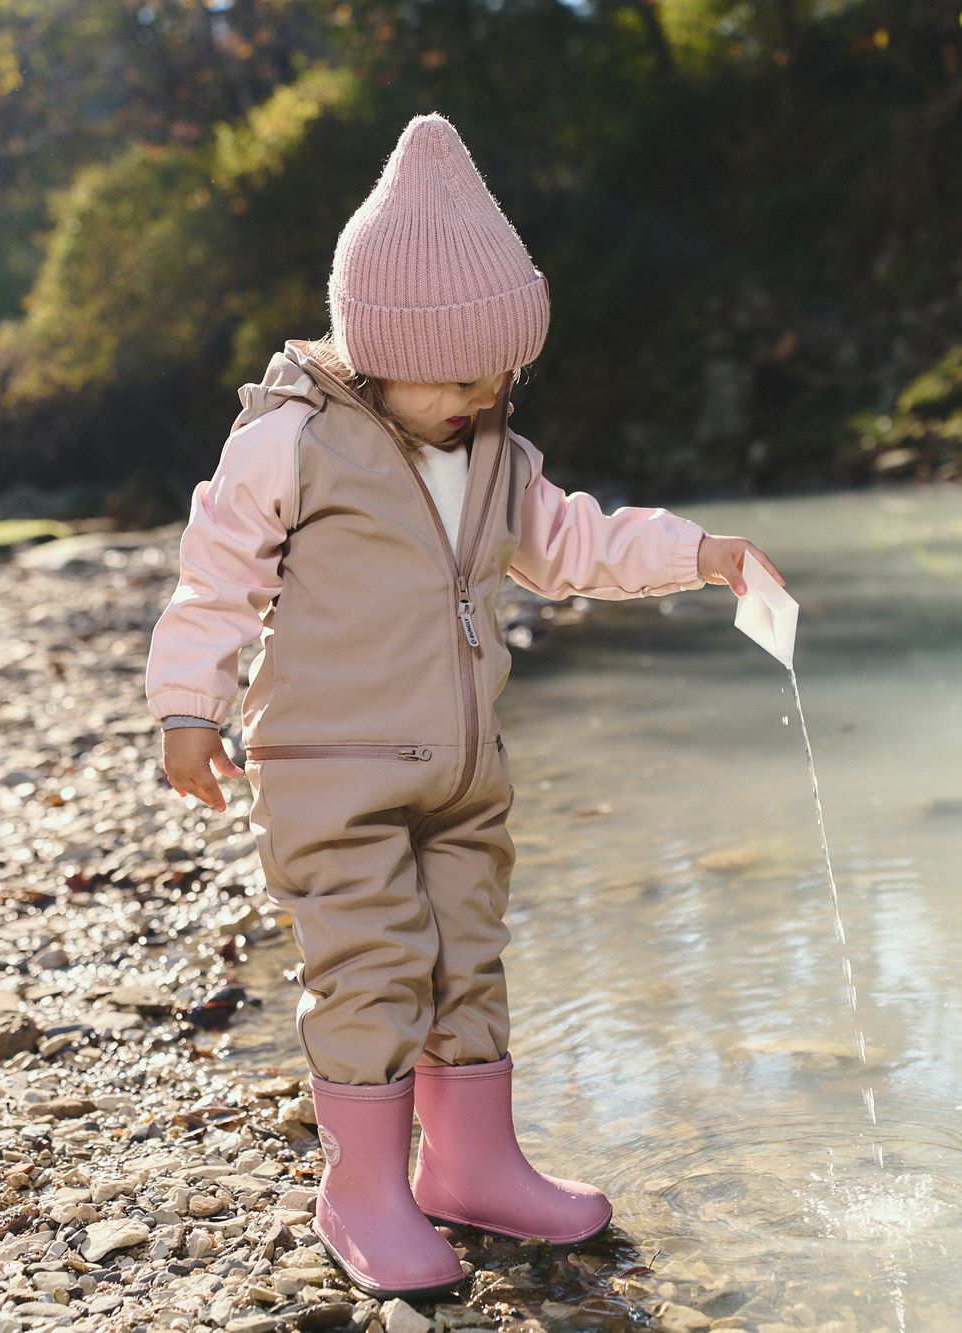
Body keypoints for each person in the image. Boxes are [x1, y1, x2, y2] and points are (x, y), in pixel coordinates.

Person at [145, 112, 784, 1300]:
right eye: (462, 372)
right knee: (373, 967)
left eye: (504, 372)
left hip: (462, 767)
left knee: (467, 960)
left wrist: (698, 552)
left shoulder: (496, 450)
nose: (485, 393)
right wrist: (192, 703)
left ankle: (473, 1161)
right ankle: (364, 1187)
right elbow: (218, 567)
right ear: (380, 344)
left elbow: (573, 541)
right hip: (329, 766)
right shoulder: (289, 439)